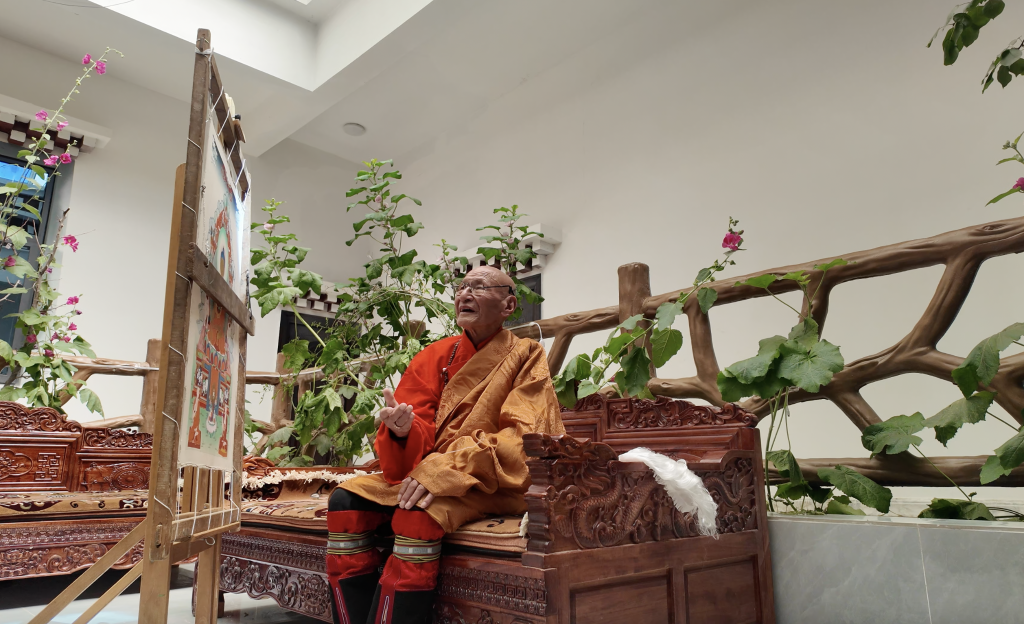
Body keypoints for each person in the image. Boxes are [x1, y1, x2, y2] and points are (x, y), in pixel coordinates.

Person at [326, 266, 564, 624]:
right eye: (462, 287)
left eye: (479, 287)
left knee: (418, 512)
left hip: (491, 480)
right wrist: (403, 431)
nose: (464, 294)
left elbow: (521, 439)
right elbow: (415, 427)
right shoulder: (434, 356)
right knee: (345, 501)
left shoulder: (526, 356)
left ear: (509, 305)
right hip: (430, 471)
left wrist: (445, 469)